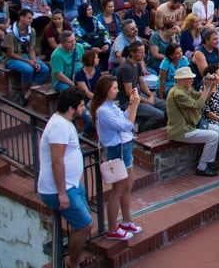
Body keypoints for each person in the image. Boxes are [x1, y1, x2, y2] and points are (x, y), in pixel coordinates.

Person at [37, 87, 94, 268]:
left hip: (72, 186)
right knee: (85, 225)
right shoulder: (59, 126)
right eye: (81, 106)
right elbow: (57, 161)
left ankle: (77, 256)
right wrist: (62, 192)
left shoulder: (65, 122)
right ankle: (73, 263)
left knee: (84, 222)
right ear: (71, 108)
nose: (83, 110)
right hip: (60, 190)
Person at [90, 74, 142, 241]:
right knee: (118, 190)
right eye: (114, 88)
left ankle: (127, 220)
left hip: (125, 148)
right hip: (116, 150)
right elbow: (127, 126)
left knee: (128, 185)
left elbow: (124, 117)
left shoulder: (111, 106)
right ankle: (112, 228)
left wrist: (131, 104)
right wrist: (134, 105)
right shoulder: (103, 111)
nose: (117, 90)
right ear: (106, 91)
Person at [166, 67, 219, 177]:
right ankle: (202, 167)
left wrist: (209, 85)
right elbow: (198, 105)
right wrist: (207, 88)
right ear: (181, 80)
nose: (192, 80)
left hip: (190, 125)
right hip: (181, 131)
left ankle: (209, 160)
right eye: (189, 78)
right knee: (213, 136)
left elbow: (201, 97)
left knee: (216, 128)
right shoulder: (178, 93)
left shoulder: (185, 89)